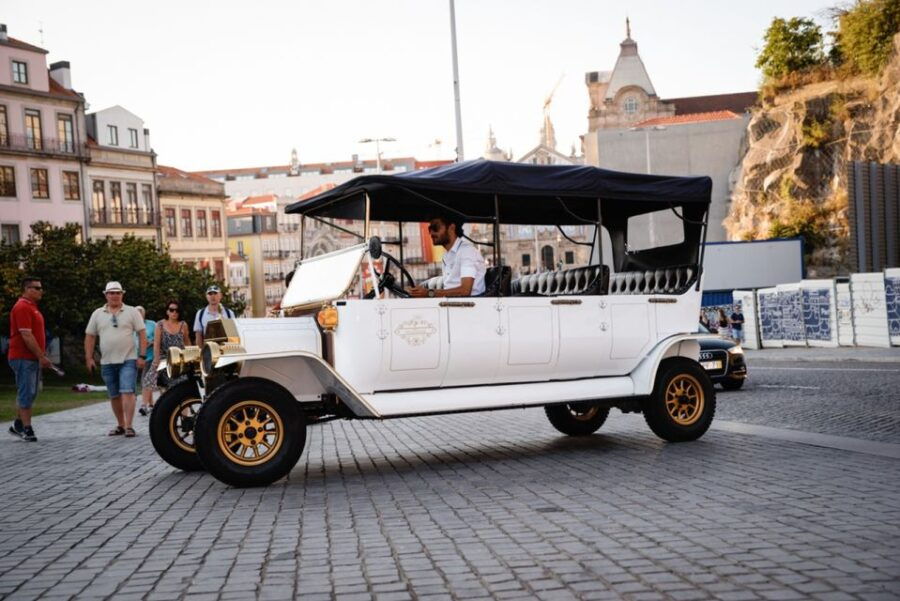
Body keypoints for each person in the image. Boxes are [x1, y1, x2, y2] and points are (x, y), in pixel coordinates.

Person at [84, 281, 147, 438]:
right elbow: (90, 336)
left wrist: (142, 355)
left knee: (127, 391)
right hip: (107, 361)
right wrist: (89, 357)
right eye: (111, 293)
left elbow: (142, 333)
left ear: (122, 294)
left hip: (129, 359)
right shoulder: (97, 313)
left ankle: (130, 426)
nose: (114, 296)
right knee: (114, 395)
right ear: (106, 295)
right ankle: (121, 424)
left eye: (118, 293)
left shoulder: (132, 312)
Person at [7, 277, 52, 442]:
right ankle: (27, 429)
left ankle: (18, 424)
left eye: (41, 288)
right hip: (22, 357)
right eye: (37, 288)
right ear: (27, 289)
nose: (41, 291)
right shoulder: (22, 307)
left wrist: (41, 354)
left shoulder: (33, 307)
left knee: (31, 393)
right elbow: (26, 335)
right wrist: (41, 356)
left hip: (31, 358)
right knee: (26, 392)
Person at [408, 216, 486, 298]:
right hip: (452, 305)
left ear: (451, 228)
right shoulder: (447, 255)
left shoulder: (467, 251)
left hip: (468, 306)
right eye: (429, 229)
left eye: (435, 228)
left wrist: (429, 293)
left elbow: (465, 290)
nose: (431, 233)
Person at [152, 299, 191, 390]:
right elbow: (156, 344)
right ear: (167, 311)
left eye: (177, 311)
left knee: (184, 384)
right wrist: (156, 360)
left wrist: (190, 356)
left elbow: (187, 342)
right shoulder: (160, 325)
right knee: (172, 387)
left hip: (180, 360)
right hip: (165, 360)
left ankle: (186, 403)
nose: (174, 312)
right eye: (171, 310)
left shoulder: (183, 325)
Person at [135, 306, 156, 416]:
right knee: (147, 381)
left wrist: (151, 342)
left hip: (149, 357)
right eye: (136, 313)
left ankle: (144, 405)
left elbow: (158, 337)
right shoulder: (131, 325)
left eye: (140, 313)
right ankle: (151, 404)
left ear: (144, 314)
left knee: (145, 380)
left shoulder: (152, 324)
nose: (138, 315)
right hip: (134, 357)